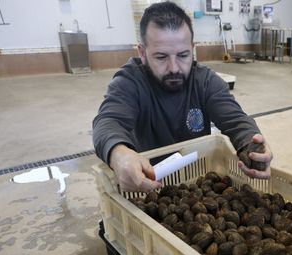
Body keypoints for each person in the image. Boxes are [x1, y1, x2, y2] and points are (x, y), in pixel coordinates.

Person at [93, 2, 272, 192]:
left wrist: (251, 144)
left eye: (183, 55)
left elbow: (236, 120)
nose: (174, 68)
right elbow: (108, 121)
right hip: (144, 185)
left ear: (192, 49)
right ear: (142, 53)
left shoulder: (205, 81)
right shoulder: (130, 82)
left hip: (195, 183)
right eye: (161, 57)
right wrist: (119, 154)